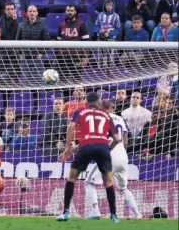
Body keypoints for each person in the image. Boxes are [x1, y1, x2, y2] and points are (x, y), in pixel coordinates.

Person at [56, 92, 120, 223]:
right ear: (98, 103)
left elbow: (71, 126)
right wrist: (107, 149)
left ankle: (65, 213)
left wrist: (68, 148)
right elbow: (117, 139)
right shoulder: (106, 114)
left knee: (72, 178)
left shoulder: (80, 111)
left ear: (86, 102)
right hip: (103, 146)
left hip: (85, 145)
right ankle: (114, 216)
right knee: (108, 181)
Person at [84, 100, 142, 220]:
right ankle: (138, 214)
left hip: (110, 154)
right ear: (112, 108)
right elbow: (125, 137)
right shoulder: (120, 118)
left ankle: (95, 211)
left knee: (89, 182)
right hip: (122, 155)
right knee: (123, 188)